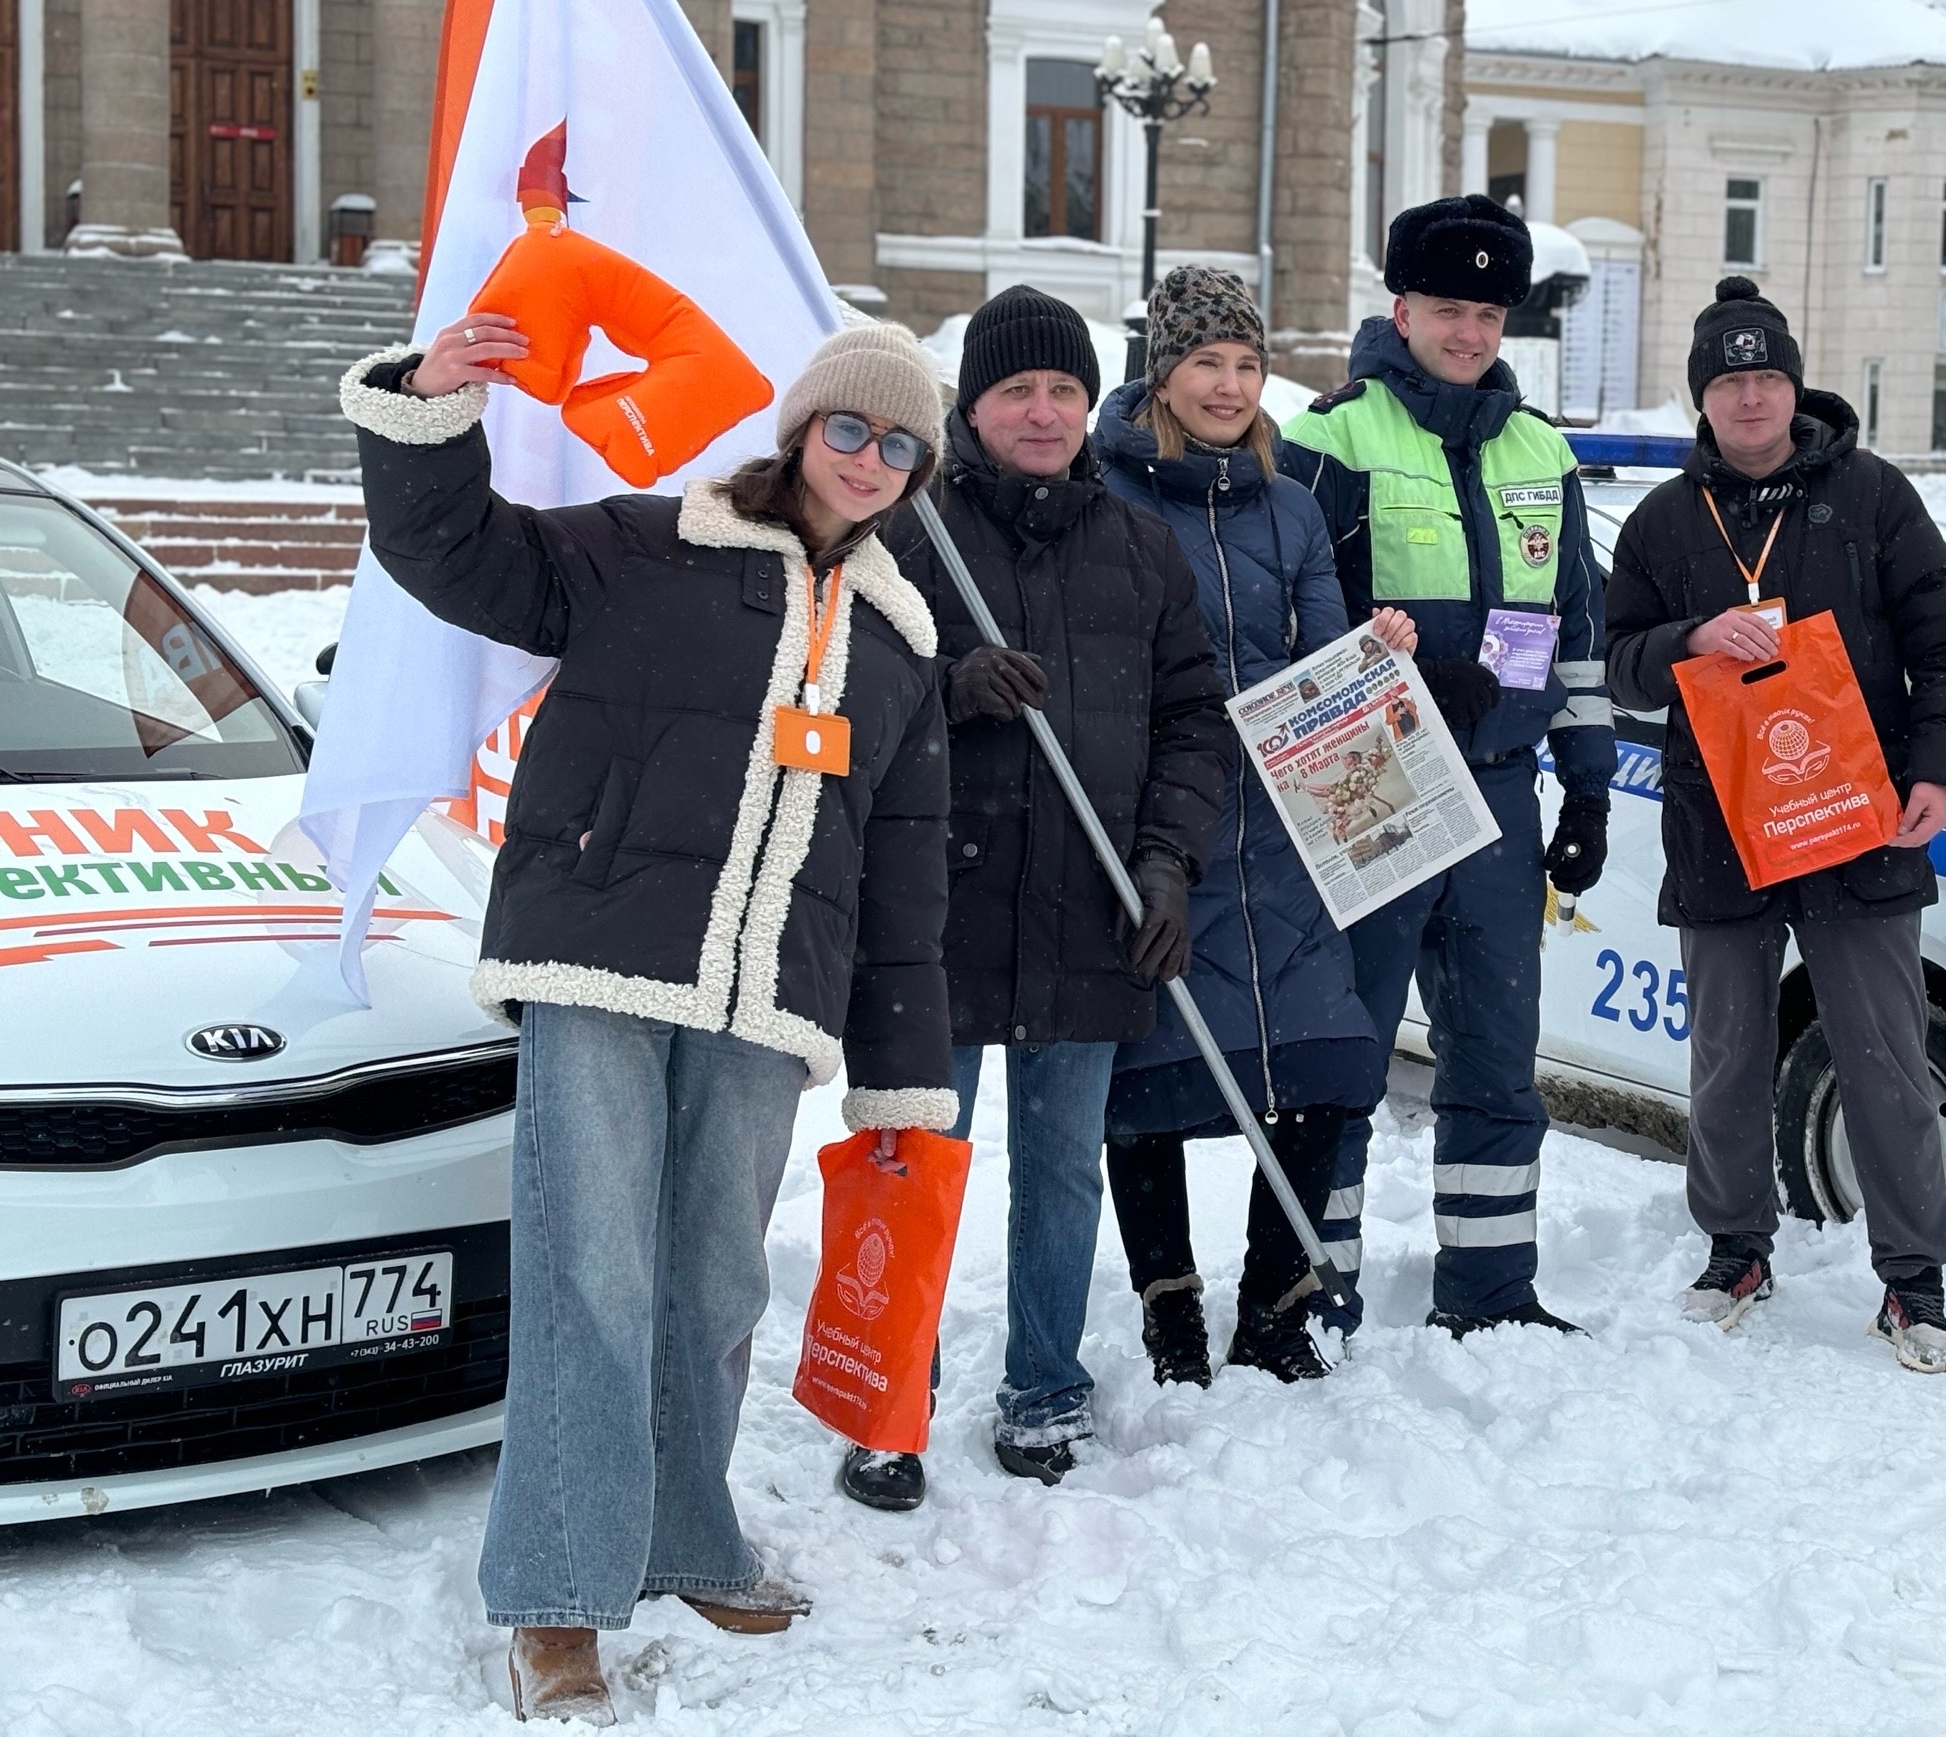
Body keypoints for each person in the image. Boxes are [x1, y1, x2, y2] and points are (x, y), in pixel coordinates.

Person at [343, 316, 956, 1722]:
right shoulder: (649, 545)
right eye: (848, 427)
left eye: (900, 444)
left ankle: (686, 1533)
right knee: (592, 1279)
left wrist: (901, 1083)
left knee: (717, 1286)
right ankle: (558, 1595)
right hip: (601, 961)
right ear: (802, 428)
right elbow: (457, 554)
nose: (868, 458)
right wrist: (428, 411)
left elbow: (906, 873)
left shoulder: (903, 641)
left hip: (771, 995)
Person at [862, 284, 1231, 1495]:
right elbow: (838, 698)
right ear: (971, 407)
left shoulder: (1139, 547)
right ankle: (886, 1398)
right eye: (1016, 389)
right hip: (934, 911)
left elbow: (1193, 721)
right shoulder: (909, 534)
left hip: (1089, 904)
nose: (1043, 411)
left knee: (1064, 1167)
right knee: (915, 1157)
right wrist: (946, 692)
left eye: (1064, 388)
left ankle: (1045, 1389)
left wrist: (1167, 862)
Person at [1601, 276, 1946, 1373]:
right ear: (1702, 398)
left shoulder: (1873, 497)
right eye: (1729, 382)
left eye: (1767, 377)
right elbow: (1618, 662)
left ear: (1794, 387)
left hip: (1856, 813)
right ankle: (1736, 1250)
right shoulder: (1664, 521)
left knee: (1885, 1056)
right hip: (1722, 821)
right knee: (1728, 1054)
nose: (1751, 398)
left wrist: (1937, 772)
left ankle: (1912, 1282)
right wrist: (1687, 639)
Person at [1278, 194, 1615, 1339]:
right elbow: (1294, 629)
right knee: (1346, 1052)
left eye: (1487, 313)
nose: (1468, 333)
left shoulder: (1541, 450)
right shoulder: (1333, 438)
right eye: (1445, 309)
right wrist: (1413, 683)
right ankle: (1311, 1288)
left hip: (1503, 792)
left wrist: (1587, 786)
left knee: (1496, 1055)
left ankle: (1490, 1287)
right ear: (1401, 310)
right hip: (1372, 784)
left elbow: (1576, 634)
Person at [1089, 266, 1419, 1385]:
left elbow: (1320, 655)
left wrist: (1371, 657)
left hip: (1285, 832)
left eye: (1245, 364)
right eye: (1205, 363)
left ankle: (1274, 1311)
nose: (1229, 385)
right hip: (1160, 823)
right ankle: (1170, 1314)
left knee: (1322, 1058)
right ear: (1162, 375)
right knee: (1148, 1075)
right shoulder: (1108, 496)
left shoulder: (1290, 504)